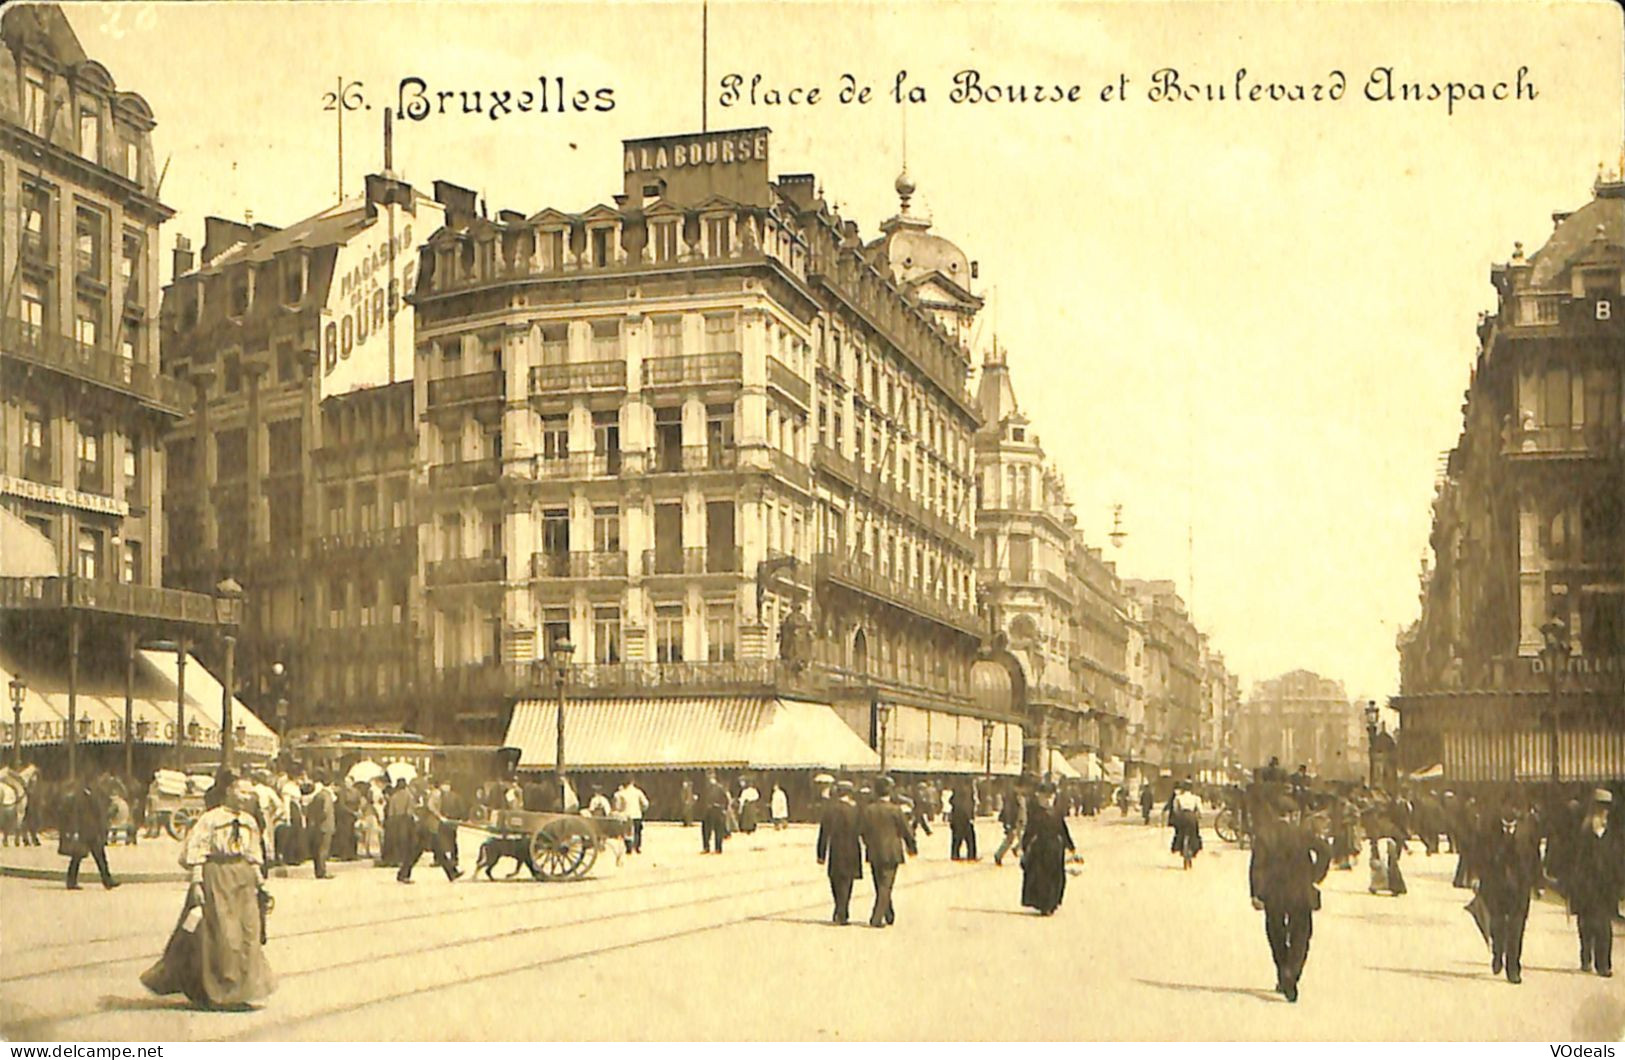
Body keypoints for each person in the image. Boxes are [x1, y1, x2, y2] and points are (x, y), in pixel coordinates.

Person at [141, 774, 275, 1010]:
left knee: (247, 934)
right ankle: (218, 992)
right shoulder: (210, 819)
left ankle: (238, 991)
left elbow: (253, 855)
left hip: (243, 881)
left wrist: (261, 884)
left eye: (250, 794)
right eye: (242, 792)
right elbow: (196, 852)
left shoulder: (249, 822)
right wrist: (197, 883)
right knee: (223, 936)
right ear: (229, 791)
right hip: (217, 877)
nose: (246, 798)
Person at [1249, 797, 1331, 1003]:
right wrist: (1315, 875)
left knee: (1276, 933)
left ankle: (1282, 968)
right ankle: (1292, 971)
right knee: (1301, 935)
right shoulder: (1302, 834)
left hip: (1274, 893)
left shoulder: (1264, 835)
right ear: (1291, 814)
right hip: (1300, 892)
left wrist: (1256, 893)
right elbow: (1325, 851)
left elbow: (1257, 866)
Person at [1476, 797, 1541, 984]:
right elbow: (1481, 855)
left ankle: (1513, 967)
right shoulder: (1490, 830)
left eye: (1515, 809)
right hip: (1497, 885)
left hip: (1520, 886)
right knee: (1497, 924)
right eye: (1508, 808)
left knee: (1517, 927)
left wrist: (1538, 883)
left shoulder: (1527, 830)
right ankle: (1497, 952)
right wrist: (1477, 878)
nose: (1511, 812)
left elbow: (1534, 857)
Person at [1563, 789, 1619, 978]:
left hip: (1606, 885)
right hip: (1587, 884)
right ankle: (1586, 955)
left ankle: (1603, 964)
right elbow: (1576, 859)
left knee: (1604, 924)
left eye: (1606, 809)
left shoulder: (1613, 833)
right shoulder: (1584, 830)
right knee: (1586, 923)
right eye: (1599, 808)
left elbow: (1617, 859)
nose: (1603, 813)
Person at [858, 777, 916, 928]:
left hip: (874, 851)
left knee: (879, 884)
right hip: (892, 851)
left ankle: (888, 913)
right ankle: (876, 917)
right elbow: (906, 831)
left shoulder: (868, 810)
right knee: (886, 885)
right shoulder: (895, 810)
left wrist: (868, 843)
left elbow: (862, 831)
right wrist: (912, 847)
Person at [1020, 781, 1076, 915]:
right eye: (1044, 797)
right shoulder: (1036, 813)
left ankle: (1053, 902)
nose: (1047, 800)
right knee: (1041, 878)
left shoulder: (1057, 813)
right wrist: (1024, 845)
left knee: (1056, 877)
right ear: (1039, 798)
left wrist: (1071, 846)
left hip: (1056, 849)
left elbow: (1063, 830)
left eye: (1050, 797)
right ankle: (1044, 904)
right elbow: (1030, 831)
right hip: (1040, 849)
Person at [816, 780, 864, 925]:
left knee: (835, 881)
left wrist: (821, 854)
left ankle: (840, 908)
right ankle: (842, 910)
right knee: (847, 882)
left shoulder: (830, 810)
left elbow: (823, 833)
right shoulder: (856, 810)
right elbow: (863, 830)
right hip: (852, 850)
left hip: (835, 850)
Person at [59, 777, 119, 890]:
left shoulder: (93, 796)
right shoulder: (79, 798)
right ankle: (72, 881)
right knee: (78, 858)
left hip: (91, 831)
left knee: (99, 857)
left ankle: (107, 880)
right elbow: (75, 816)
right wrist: (75, 831)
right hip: (84, 832)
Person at [306, 775, 336, 880]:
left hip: (318, 826)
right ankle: (322, 871)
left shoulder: (318, 795)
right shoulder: (327, 796)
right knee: (324, 850)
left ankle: (318, 871)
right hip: (326, 825)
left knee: (318, 849)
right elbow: (325, 811)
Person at [1169, 782, 1203, 869]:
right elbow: (1200, 810)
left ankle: (1178, 847)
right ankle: (1193, 849)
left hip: (1182, 817)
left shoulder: (1178, 798)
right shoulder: (1196, 798)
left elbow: (1176, 809)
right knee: (1194, 834)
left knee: (1179, 833)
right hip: (1191, 817)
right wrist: (1199, 816)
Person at [614, 776, 649, 853]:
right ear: (633, 782)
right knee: (637, 831)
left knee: (627, 832)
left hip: (626, 815)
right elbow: (645, 804)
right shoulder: (638, 792)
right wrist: (642, 810)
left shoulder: (621, 794)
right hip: (637, 814)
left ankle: (629, 848)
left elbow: (618, 806)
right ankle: (637, 847)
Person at [700, 771, 729, 854]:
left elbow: (726, 799)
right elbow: (702, 800)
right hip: (708, 811)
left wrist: (724, 809)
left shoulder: (720, 788)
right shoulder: (705, 789)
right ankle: (706, 847)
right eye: (708, 777)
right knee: (706, 830)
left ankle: (718, 848)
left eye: (711, 777)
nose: (710, 779)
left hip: (718, 810)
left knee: (718, 830)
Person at [948, 782, 978, 861]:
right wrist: (970, 817)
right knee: (970, 838)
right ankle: (971, 856)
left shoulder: (958, 791)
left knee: (956, 838)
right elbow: (967, 806)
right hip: (964, 818)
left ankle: (954, 855)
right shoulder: (967, 791)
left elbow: (951, 801)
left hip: (956, 817)